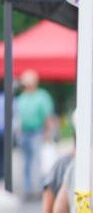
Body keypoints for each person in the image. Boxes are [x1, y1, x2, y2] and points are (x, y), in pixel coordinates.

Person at [16, 70, 55, 198]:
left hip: (37, 132)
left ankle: (39, 189)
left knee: (37, 162)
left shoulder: (41, 96)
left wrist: (48, 132)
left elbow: (47, 116)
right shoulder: (21, 97)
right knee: (26, 163)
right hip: (24, 133)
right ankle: (28, 189)